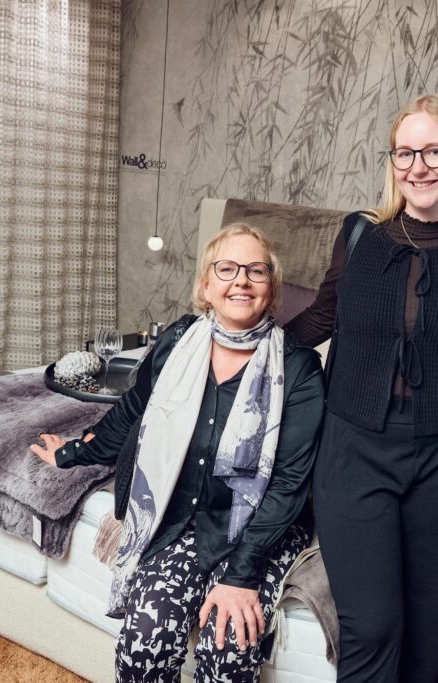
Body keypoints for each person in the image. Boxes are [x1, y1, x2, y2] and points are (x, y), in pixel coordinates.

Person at [32, 224, 325, 682]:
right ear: (205, 286)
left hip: (257, 533)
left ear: (271, 289)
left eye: (256, 270)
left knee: (228, 649)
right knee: (144, 643)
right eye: (226, 269)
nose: (241, 280)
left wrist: (241, 577)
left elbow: (289, 482)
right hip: (179, 520)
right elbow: (132, 412)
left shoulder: (299, 367)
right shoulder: (178, 341)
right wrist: (72, 453)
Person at [286, 94, 438, 683]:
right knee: (374, 627)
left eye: (434, 151)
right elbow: (320, 318)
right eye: (404, 153)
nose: (418, 166)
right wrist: (236, 341)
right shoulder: (360, 235)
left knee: (430, 631)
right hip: (353, 451)